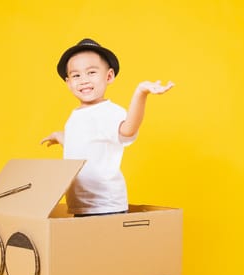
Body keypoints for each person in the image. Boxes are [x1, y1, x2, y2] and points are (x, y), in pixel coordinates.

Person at [41, 38, 174, 217]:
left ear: (109, 76)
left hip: (105, 206)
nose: (84, 80)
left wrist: (140, 93)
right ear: (68, 82)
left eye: (91, 72)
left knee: (104, 245)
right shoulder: (76, 115)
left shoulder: (109, 111)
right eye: (76, 75)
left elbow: (128, 129)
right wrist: (60, 136)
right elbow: (81, 143)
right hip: (81, 205)